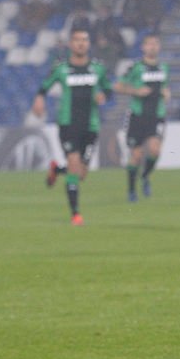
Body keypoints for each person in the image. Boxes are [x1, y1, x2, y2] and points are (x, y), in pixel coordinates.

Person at [31, 26, 111, 225]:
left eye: (84, 40)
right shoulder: (61, 67)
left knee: (81, 173)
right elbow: (44, 86)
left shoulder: (97, 68)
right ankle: (75, 214)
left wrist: (104, 95)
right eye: (77, 40)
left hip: (91, 125)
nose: (81, 43)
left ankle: (57, 170)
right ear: (70, 44)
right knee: (74, 165)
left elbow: (108, 89)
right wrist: (39, 99)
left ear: (88, 44)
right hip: (68, 124)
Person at [113, 33, 169, 202]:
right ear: (143, 47)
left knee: (154, 150)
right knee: (136, 156)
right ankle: (131, 190)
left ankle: (145, 176)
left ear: (159, 47)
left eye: (155, 43)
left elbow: (164, 87)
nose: (152, 47)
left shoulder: (163, 67)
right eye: (149, 44)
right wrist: (135, 91)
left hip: (156, 116)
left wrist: (166, 92)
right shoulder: (136, 67)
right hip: (137, 116)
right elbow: (118, 86)